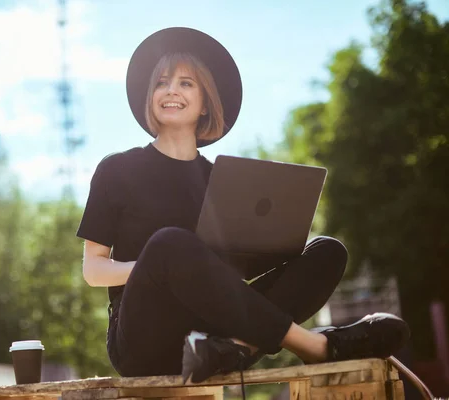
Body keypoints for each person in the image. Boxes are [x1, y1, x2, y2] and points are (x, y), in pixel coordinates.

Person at [76, 27, 410, 384]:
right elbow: (93, 270)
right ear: (150, 96)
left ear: (206, 102)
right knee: (169, 244)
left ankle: (231, 350)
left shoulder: (221, 180)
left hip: (210, 329)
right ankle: (315, 346)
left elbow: (229, 276)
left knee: (328, 251)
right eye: (161, 82)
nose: (171, 90)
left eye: (186, 83)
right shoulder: (117, 169)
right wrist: (158, 267)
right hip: (142, 341)